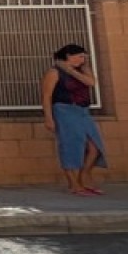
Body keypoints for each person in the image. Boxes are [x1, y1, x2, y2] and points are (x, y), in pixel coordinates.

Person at [40, 43, 106, 195]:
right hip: (64, 110)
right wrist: (48, 118)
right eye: (80, 56)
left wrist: (69, 69)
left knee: (94, 147)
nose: (83, 60)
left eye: (84, 57)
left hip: (82, 111)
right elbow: (46, 96)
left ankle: (84, 175)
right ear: (69, 56)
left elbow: (90, 82)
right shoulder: (54, 73)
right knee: (70, 146)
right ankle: (74, 184)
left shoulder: (81, 70)